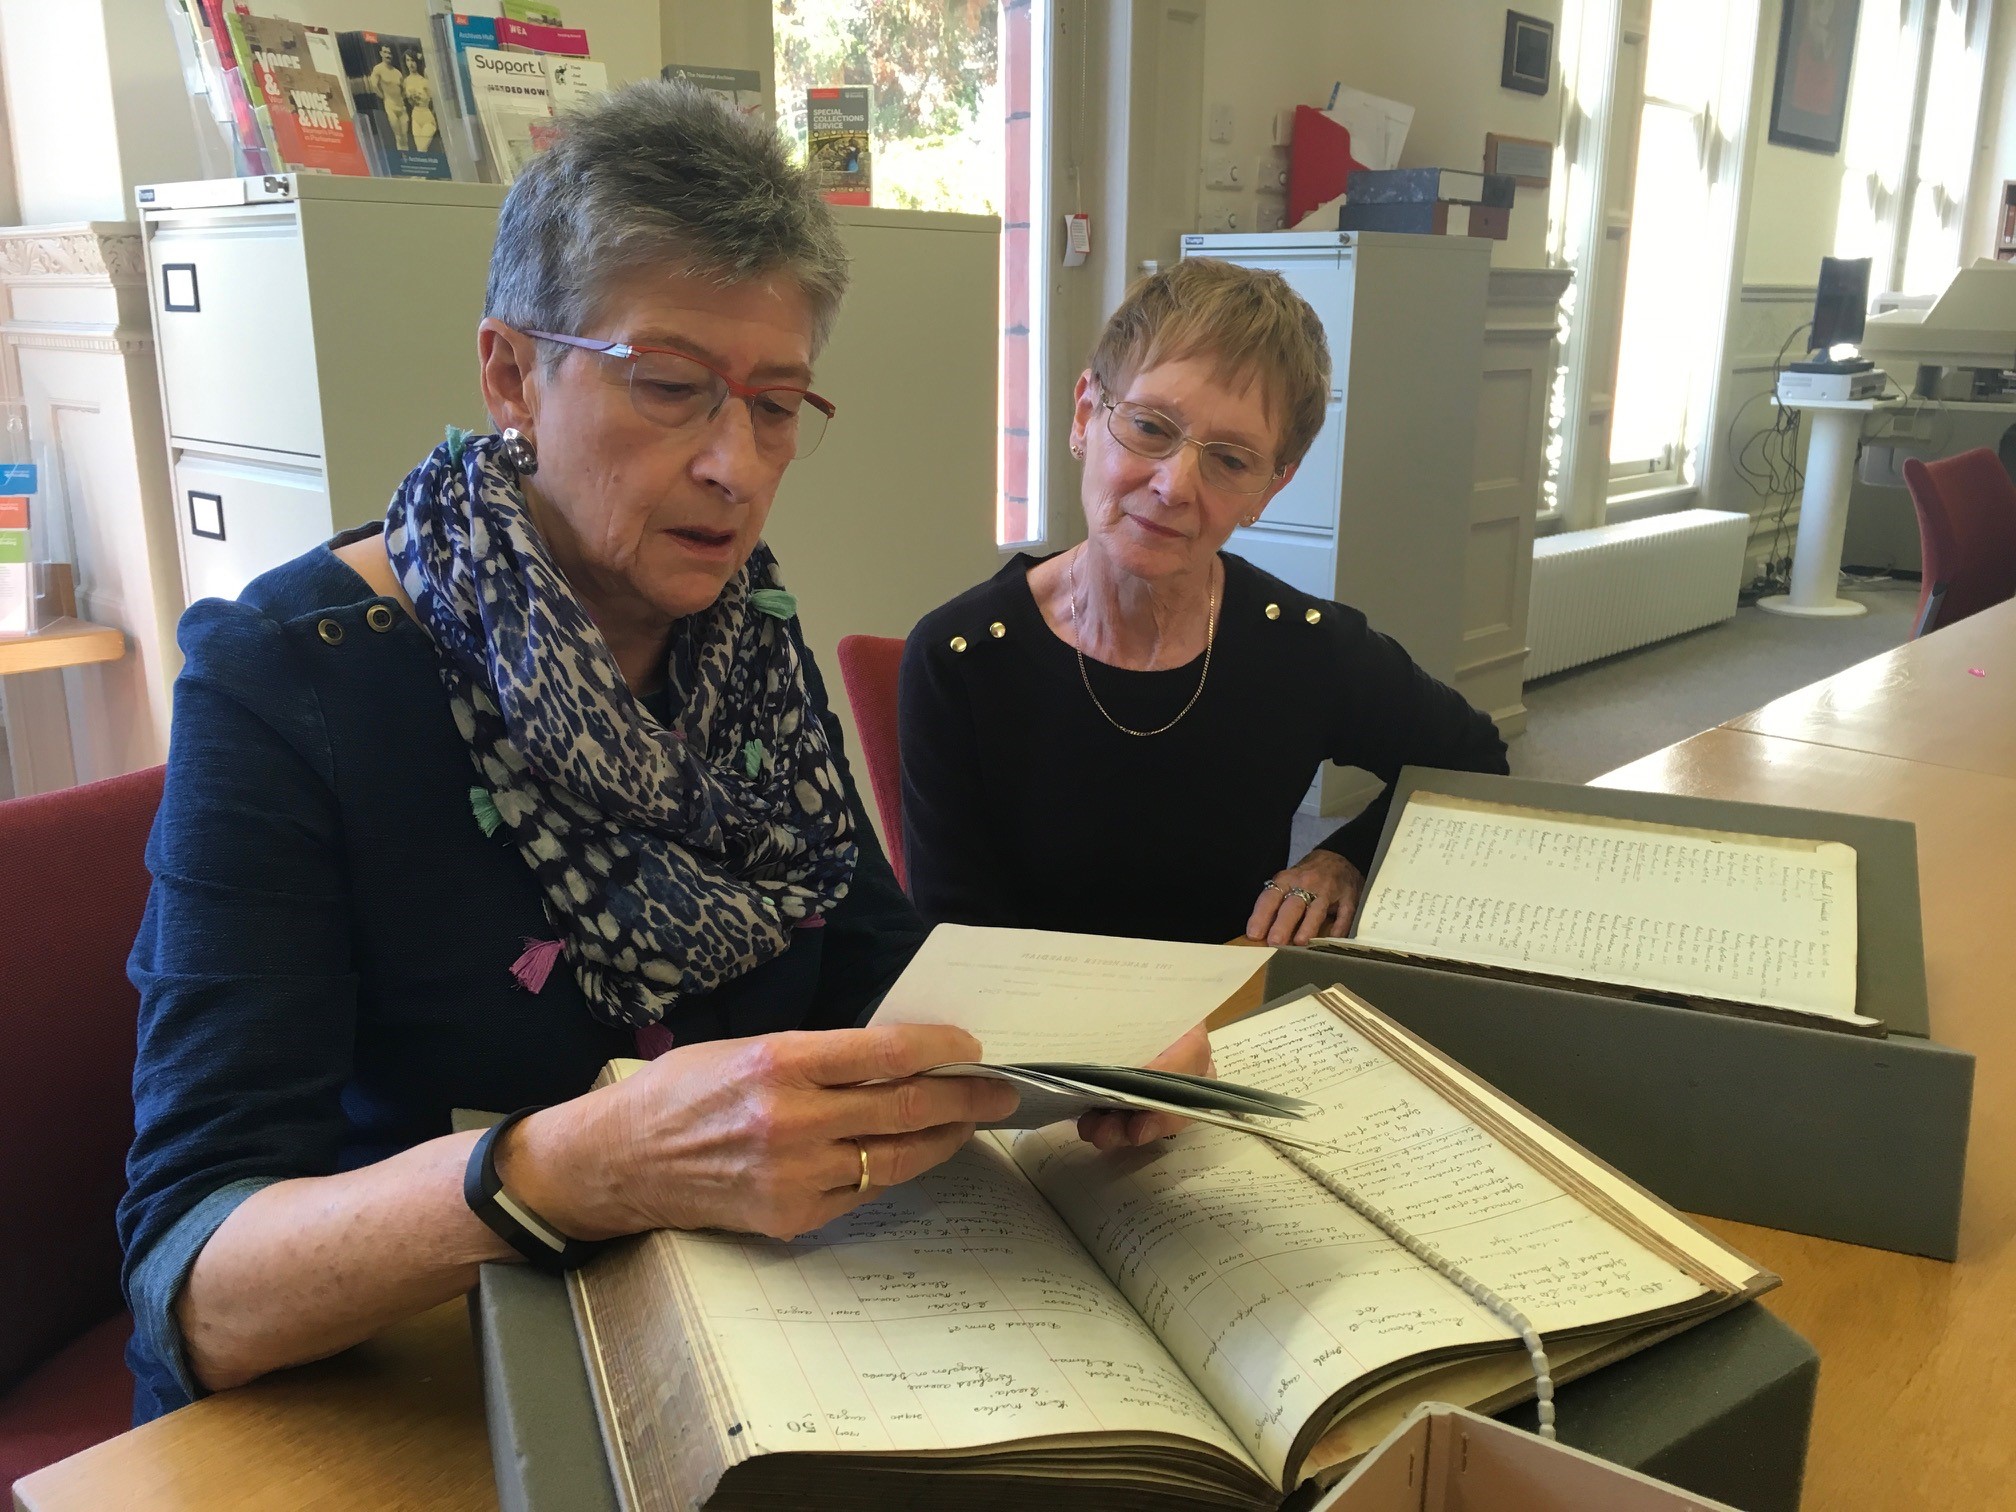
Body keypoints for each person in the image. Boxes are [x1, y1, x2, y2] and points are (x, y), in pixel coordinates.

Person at [116, 84, 1048, 1425]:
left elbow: (868, 964)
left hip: (750, 1348)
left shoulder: (747, 647)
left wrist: (1078, 1072)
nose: (736, 465)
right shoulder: (287, 681)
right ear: (511, 374)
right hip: (424, 1380)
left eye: (777, 405)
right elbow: (192, 1284)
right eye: (670, 388)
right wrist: (580, 1166)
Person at [901, 257, 1510, 949]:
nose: (1175, 485)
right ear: (1083, 416)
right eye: (1151, 427)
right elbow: (955, 944)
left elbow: (1473, 758)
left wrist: (1345, 857)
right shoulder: (961, 658)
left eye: (1230, 460)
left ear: (1269, 490)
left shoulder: (1302, 647)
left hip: (1229, 1017)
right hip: (1021, 1041)